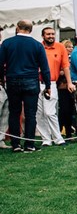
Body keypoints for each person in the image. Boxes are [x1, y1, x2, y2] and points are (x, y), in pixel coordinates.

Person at [0, 20, 51, 152]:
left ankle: (16, 144)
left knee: (14, 113)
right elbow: (45, 68)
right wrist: (48, 85)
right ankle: (29, 144)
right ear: (31, 29)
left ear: (17, 28)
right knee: (30, 114)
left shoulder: (7, 43)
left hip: (12, 81)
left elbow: (0, 64)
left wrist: (2, 80)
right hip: (31, 81)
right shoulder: (37, 45)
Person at [37, 27, 73, 146]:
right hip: (36, 82)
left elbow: (65, 66)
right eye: (48, 34)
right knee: (39, 113)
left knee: (49, 112)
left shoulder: (60, 47)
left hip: (51, 83)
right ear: (43, 36)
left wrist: (69, 82)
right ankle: (46, 139)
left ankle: (58, 138)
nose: (51, 36)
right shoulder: (38, 47)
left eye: (52, 34)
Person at [57, 39, 76, 139]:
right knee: (63, 110)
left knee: (70, 110)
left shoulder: (71, 58)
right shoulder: (61, 59)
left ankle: (69, 131)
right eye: (68, 47)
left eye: (71, 47)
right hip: (62, 87)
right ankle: (60, 130)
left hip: (70, 87)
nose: (70, 48)